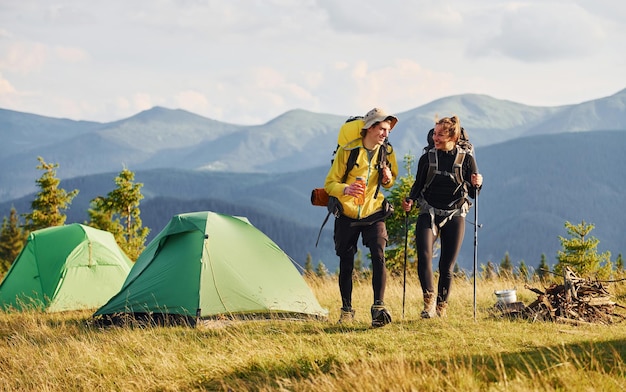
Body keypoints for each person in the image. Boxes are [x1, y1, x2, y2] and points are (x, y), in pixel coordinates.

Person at [324, 108, 399, 328]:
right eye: (382, 129)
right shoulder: (348, 151)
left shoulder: (387, 151)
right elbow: (330, 184)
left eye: (387, 130)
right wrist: (346, 189)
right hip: (347, 213)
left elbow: (390, 180)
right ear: (369, 128)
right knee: (346, 263)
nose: (386, 134)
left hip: (374, 211)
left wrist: (387, 179)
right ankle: (346, 310)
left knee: (378, 254)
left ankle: (378, 308)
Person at [401, 115, 483, 318]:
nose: (434, 138)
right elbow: (418, 185)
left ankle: (441, 309)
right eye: (434, 133)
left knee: (446, 266)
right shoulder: (427, 158)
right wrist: (410, 200)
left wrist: (478, 183)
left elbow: (474, 194)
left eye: (439, 134)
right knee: (424, 257)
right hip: (428, 211)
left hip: (455, 214)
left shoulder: (466, 160)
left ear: (452, 137)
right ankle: (428, 303)